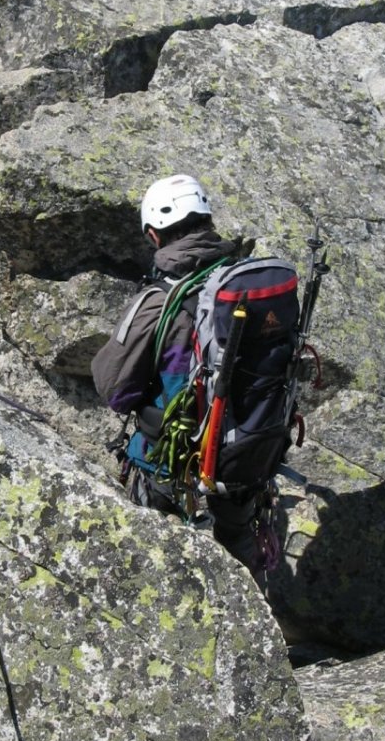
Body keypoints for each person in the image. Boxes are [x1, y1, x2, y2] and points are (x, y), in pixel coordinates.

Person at [91, 173, 266, 573]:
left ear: (154, 236)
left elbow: (113, 390)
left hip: (174, 460)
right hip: (247, 447)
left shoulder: (159, 300)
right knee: (238, 542)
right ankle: (256, 618)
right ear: (207, 219)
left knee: (151, 558)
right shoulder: (245, 282)